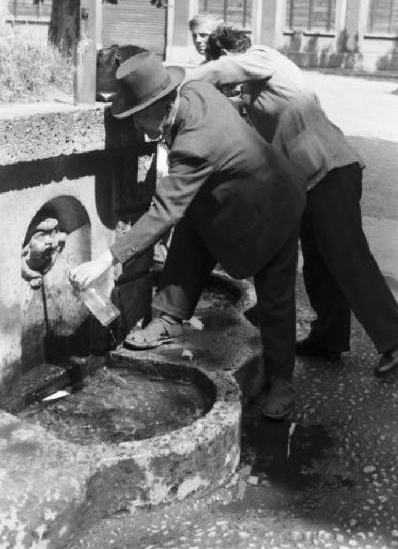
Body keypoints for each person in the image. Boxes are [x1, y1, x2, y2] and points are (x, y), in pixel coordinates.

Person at [70, 51, 306, 419]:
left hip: (274, 206)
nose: (135, 129)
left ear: (162, 104)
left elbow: (163, 210)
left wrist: (104, 259)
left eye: (136, 118)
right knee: (190, 229)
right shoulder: (193, 90)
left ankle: (282, 382)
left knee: (275, 299)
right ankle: (168, 317)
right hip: (225, 195)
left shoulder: (195, 144)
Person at [184, 25, 398, 378]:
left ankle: (392, 338)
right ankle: (329, 339)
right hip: (313, 180)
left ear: (227, 55)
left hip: (330, 169)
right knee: (319, 263)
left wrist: (181, 86)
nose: (231, 86)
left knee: (348, 256)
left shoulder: (263, 57)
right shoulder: (257, 91)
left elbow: (220, 71)